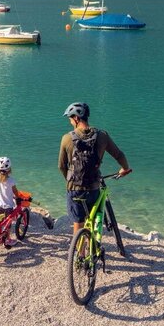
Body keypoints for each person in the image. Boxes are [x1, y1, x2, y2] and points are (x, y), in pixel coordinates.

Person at [58, 101, 132, 255]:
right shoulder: (102, 136)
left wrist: (70, 181)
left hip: (74, 189)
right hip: (94, 187)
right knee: (96, 216)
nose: (70, 122)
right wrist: (125, 169)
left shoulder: (67, 138)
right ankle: (94, 246)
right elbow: (119, 155)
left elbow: (61, 166)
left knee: (78, 222)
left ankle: (80, 254)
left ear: (76, 118)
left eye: (70, 119)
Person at [0, 157, 20, 247]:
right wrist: (17, 197)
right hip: (8, 207)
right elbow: (15, 192)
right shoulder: (11, 181)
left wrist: (0, 192)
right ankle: (7, 240)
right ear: (9, 170)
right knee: (7, 225)